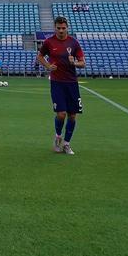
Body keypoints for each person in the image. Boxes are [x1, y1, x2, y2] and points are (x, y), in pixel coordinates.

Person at [36, 16, 85, 155]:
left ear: (67, 28)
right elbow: (39, 56)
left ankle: (67, 144)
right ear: (55, 27)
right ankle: (58, 137)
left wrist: (74, 63)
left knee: (72, 115)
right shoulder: (49, 42)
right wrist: (48, 66)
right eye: (59, 28)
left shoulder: (73, 43)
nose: (61, 31)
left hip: (72, 83)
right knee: (61, 114)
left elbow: (83, 63)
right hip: (57, 83)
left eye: (64, 28)